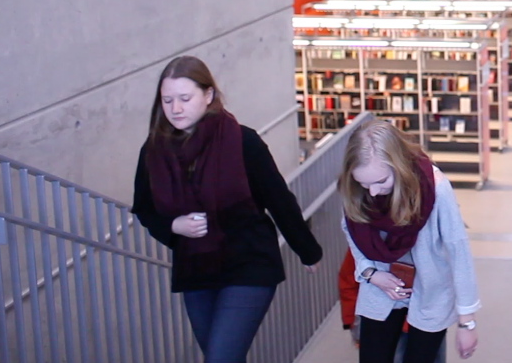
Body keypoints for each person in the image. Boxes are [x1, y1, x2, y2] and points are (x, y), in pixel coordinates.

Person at [132, 56, 322, 363]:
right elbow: (144, 209)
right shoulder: (154, 150)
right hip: (195, 269)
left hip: (249, 262)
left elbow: (278, 199)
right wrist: (173, 226)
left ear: (208, 96)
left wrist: (307, 249)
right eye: (167, 100)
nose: (175, 109)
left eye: (184, 98)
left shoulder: (242, 140)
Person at [339, 119, 480, 363]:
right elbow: (351, 230)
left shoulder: (435, 187)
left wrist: (467, 322)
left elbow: (459, 252)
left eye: (381, 182)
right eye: (364, 183)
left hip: (430, 290)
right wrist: (371, 273)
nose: (372, 192)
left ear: (400, 166)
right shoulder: (356, 189)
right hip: (380, 287)